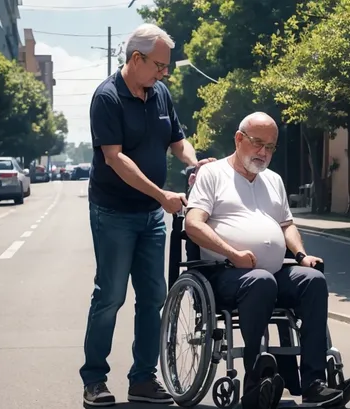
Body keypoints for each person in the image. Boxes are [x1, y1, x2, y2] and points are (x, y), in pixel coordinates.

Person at [184, 112, 350, 409]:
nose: (264, 153)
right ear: (239, 139)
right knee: (260, 281)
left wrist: (302, 256)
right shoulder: (212, 175)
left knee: (313, 281)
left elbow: (286, 225)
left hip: (272, 272)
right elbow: (193, 224)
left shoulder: (274, 180)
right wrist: (233, 253)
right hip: (225, 273)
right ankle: (255, 382)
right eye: (257, 144)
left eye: (270, 147)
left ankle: (314, 383)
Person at [80, 23, 212, 407]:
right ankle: (94, 381)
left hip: (151, 215)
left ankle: (142, 379)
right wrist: (162, 195)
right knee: (110, 296)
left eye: (165, 67)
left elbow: (177, 139)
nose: (164, 73)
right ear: (136, 59)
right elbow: (114, 158)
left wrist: (194, 163)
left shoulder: (160, 94)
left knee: (153, 296)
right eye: (159, 65)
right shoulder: (107, 98)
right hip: (113, 212)